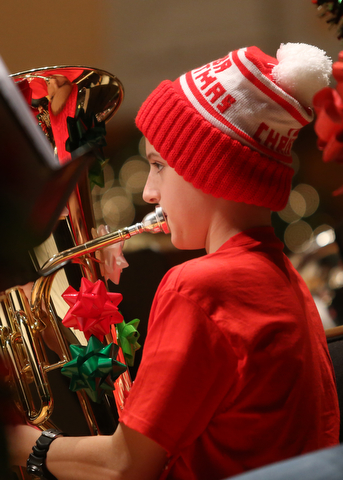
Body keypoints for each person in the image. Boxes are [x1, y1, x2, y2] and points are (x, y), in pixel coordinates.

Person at [6, 42, 340, 480]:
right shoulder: (287, 281)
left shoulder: (198, 286)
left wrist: (25, 444)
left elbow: (124, 465)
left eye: (159, 165)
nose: (148, 193)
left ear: (209, 170)